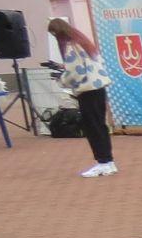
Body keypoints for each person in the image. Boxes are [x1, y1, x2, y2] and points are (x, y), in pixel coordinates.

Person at [46, 17, 116, 177]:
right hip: (98, 87)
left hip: (86, 90)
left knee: (92, 127)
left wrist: (61, 79)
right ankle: (108, 161)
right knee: (100, 125)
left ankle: (102, 162)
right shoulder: (83, 43)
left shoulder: (71, 47)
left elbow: (75, 72)